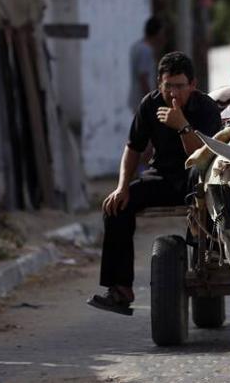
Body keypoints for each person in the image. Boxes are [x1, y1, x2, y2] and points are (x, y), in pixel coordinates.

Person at [87, 52, 222, 315]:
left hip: (200, 177)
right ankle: (120, 289)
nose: (173, 93)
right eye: (168, 85)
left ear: (192, 85)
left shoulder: (205, 108)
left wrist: (182, 126)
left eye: (180, 86)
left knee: (208, 189)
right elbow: (133, 148)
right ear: (159, 83)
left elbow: (204, 158)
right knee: (116, 206)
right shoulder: (149, 105)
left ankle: (206, 255)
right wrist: (122, 186)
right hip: (163, 176)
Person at [127, 16, 167, 112]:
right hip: (143, 99)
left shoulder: (137, 46)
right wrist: (151, 100)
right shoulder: (146, 51)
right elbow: (143, 77)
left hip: (137, 98)